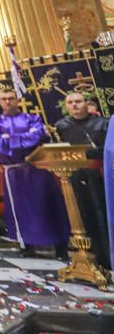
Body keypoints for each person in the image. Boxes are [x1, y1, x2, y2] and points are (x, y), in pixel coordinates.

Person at [0, 89, 69, 253]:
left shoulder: (33, 118)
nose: (8, 102)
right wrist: (23, 139)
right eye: (4, 99)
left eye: (11, 98)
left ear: (18, 100)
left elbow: (36, 136)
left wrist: (10, 139)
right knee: (20, 209)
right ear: (0, 102)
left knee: (45, 204)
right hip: (14, 172)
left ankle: (58, 243)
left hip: (37, 169)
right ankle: (27, 243)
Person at [55, 91, 109, 268]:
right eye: (70, 102)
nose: (74, 105)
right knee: (83, 216)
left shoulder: (102, 124)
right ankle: (89, 255)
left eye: (78, 101)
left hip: (101, 176)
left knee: (103, 213)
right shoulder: (62, 126)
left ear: (86, 103)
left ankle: (107, 254)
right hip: (76, 177)